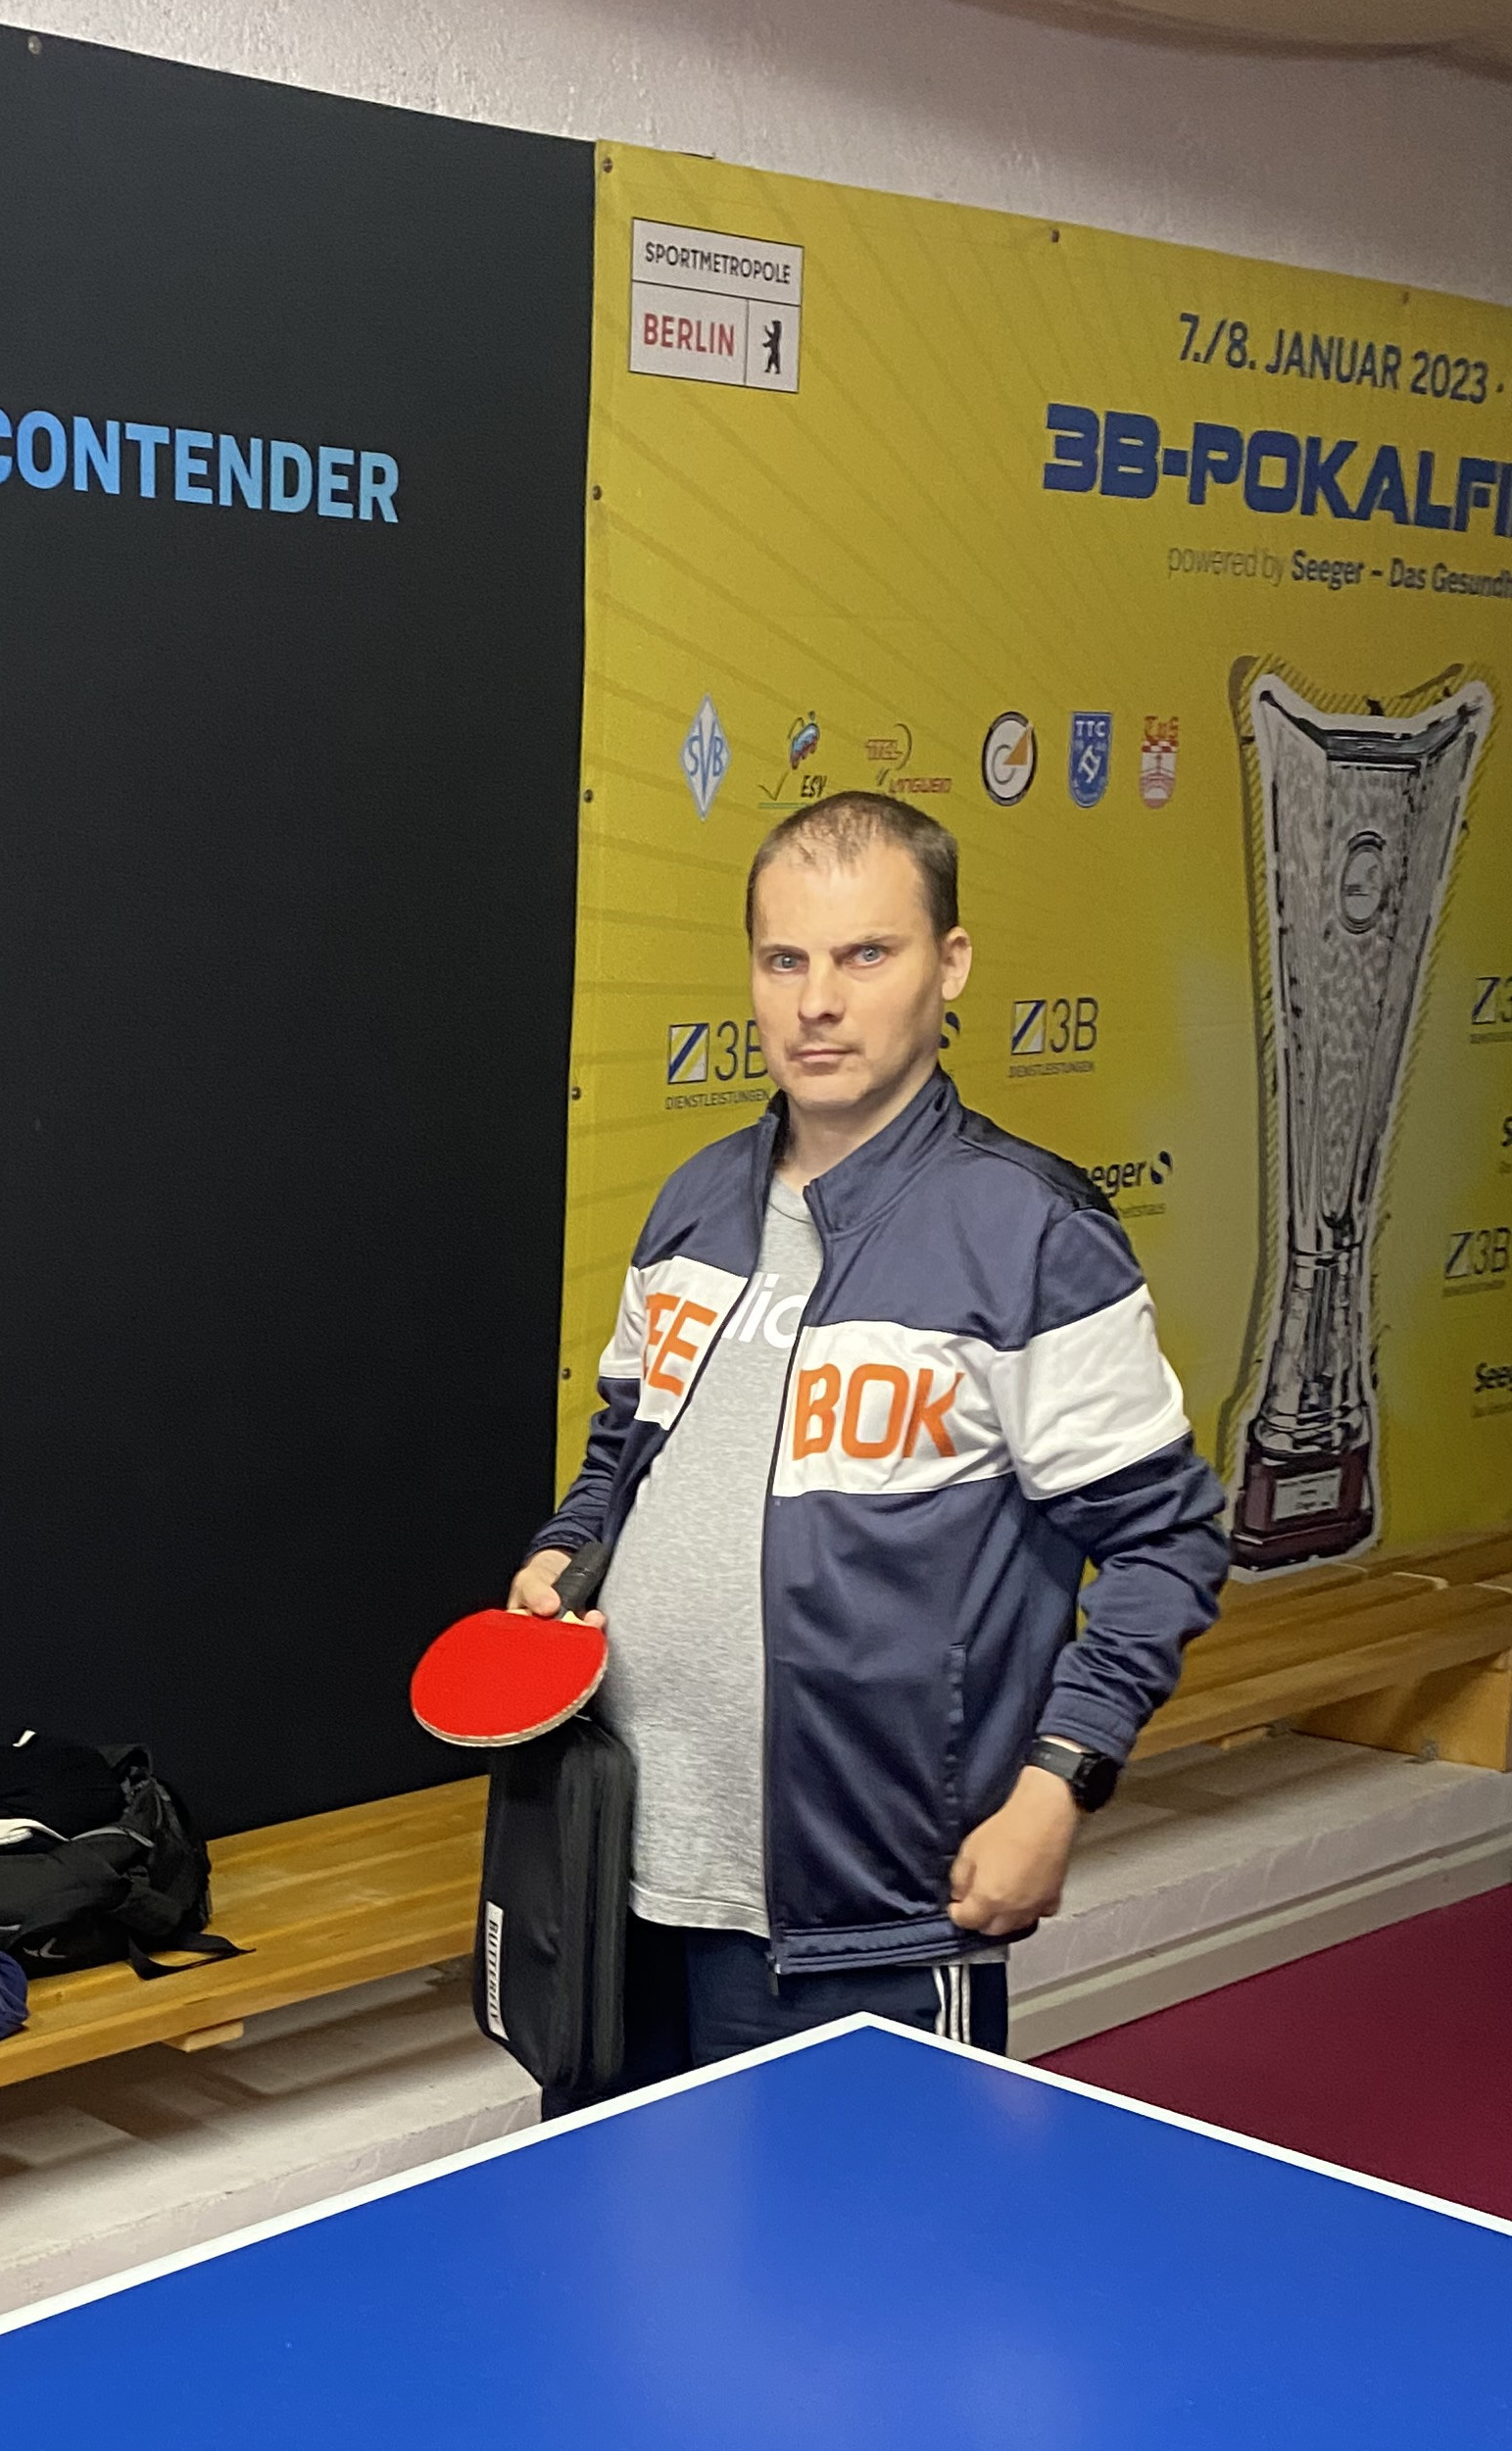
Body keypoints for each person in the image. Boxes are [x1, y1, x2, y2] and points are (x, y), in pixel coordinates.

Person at [512, 790, 1226, 2081]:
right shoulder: (693, 1201)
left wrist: (1059, 1780)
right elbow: (625, 1448)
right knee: (623, 2207)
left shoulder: (1030, 1235)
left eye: (865, 955)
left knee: (862, 2219)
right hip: (622, 1869)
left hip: (870, 1906)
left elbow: (1167, 1542)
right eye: (785, 960)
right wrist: (567, 1551)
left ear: (949, 965)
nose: (818, 1003)